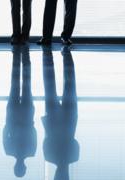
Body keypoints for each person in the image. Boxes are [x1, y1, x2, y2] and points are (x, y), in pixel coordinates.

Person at [41, 46, 80, 180]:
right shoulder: (49, 157)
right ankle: (48, 57)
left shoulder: (74, 157)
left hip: (69, 120)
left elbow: (75, 143)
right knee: (49, 85)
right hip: (52, 121)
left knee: (70, 83)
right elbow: (46, 142)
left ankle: (66, 56)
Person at [3, 45, 37, 177]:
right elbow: (5, 132)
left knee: (26, 84)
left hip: (27, 117)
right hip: (13, 117)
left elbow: (33, 134)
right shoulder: (9, 150)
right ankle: (18, 58)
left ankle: (23, 57)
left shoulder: (31, 151)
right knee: (15, 83)